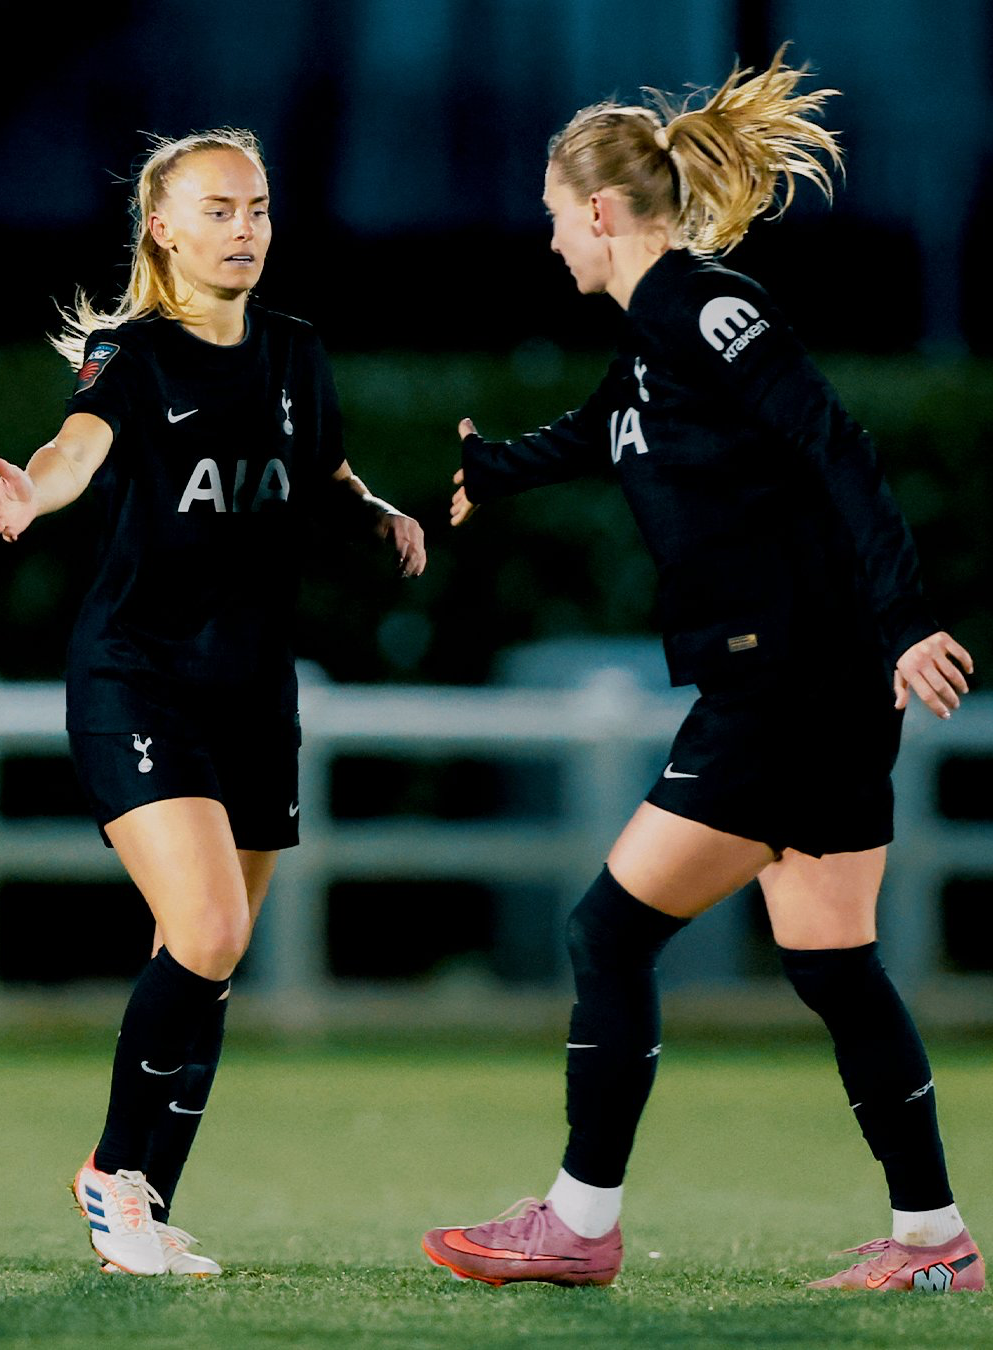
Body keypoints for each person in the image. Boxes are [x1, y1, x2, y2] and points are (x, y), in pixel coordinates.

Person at [421, 50, 983, 1293]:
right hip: (815, 685)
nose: (551, 238)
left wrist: (904, 619)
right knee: (833, 960)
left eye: (557, 217)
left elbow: (836, 435)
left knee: (606, 933)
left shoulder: (700, 306)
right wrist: (495, 468)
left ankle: (576, 1223)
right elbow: (604, 429)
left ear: (604, 214)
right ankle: (938, 1244)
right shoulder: (649, 343)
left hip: (786, 684)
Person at [0, 128, 425, 1277]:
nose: (245, 230)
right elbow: (78, 446)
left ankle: (144, 1204)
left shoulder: (294, 349)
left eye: (260, 208)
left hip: (251, 693)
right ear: (163, 228)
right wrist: (41, 488)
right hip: (137, 676)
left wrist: (379, 510)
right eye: (219, 210)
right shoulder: (128, 356)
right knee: (212, 929)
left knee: (206, 958)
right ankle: (107, 1183)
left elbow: (323, 474)